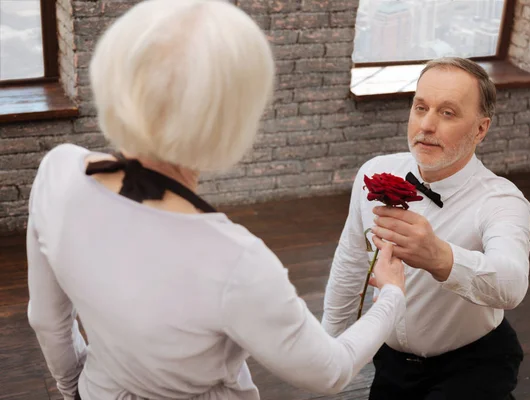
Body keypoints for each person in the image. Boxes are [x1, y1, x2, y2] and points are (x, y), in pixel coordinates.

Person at [26, 1, 408, 399]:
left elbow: (47, 321)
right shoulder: (237, 261)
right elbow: (330, 372)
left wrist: (73, 391)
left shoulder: (60, 170)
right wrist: (391, 297)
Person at [322, 57, 530, 400]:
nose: (427, 125)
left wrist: (440, 257)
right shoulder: (374, 172)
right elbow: (351, 261)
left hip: (473, 367)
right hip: (391, 363)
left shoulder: (502, 201)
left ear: (480, 129)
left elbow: (512, 284)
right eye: (421, 107)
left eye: (447, 113)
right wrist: (327, 348)